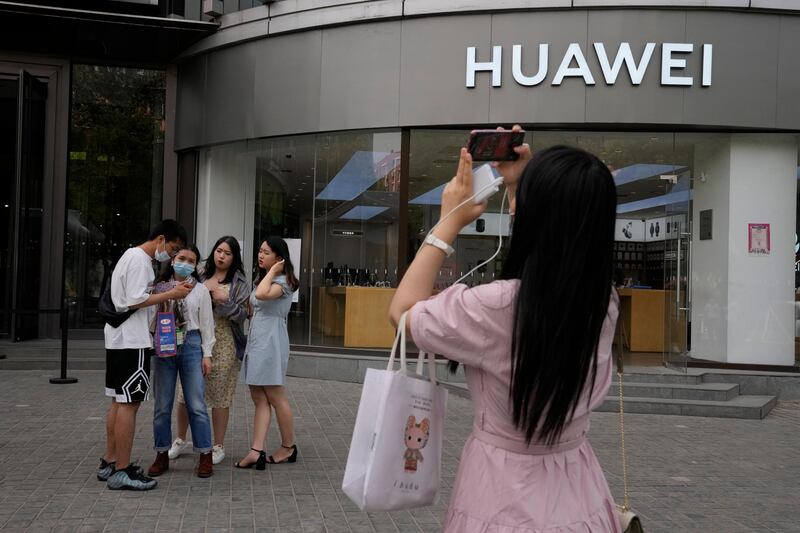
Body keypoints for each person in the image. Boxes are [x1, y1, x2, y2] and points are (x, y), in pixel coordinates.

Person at [389, 129, 622, 532]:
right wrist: (523, 187)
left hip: (500, 492)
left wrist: (449, 219)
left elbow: (403, 312)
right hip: (578, 485)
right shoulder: (603, 303)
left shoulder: (495, 307)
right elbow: (555, 247)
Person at [99, 219, 190, 491]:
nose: (171, 255)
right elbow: (135, 300)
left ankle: (111, 461)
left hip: (118, 338)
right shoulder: (140, 260)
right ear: (160, 239)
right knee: (130, 403)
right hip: (132, 340)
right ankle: (122, 470)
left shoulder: (130, 256)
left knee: (118, 400)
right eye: (172, 248)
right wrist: (172, 293)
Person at [170, 236, 249, 465]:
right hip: (195, 338)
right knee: (185, 392)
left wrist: (225, 301)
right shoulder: (200, 275)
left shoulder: (239, 283)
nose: (221, 255)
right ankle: (180, 438)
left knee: (219, 395)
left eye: (227, 253)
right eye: (218, 250)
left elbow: (243, 315)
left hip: (225, 341)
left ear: (234, 258)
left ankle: (218, 445)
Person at [147, 245, 216, 479]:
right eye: (182, 258)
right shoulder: (158, 287)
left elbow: (207, 324)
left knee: (196, 403)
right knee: (162, 405)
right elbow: (149, 318)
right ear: (173, 259)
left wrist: (207, 354)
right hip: (163, 345)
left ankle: (205, 454)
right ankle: (161, 453)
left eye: (192, 260)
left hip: (191, 344)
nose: (186, 263)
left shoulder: (200, 290)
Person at [235, 237, 299, 469]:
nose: (260, 255)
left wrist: (273, 270)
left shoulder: (284, 281)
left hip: (271, 339)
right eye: (260, 251)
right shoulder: (265, 278)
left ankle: (288, 447)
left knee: (275, 395)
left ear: (279, 258)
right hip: (257, 338)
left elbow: (261, 296)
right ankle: (256, 450)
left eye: (266, 252)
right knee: (259, 397)